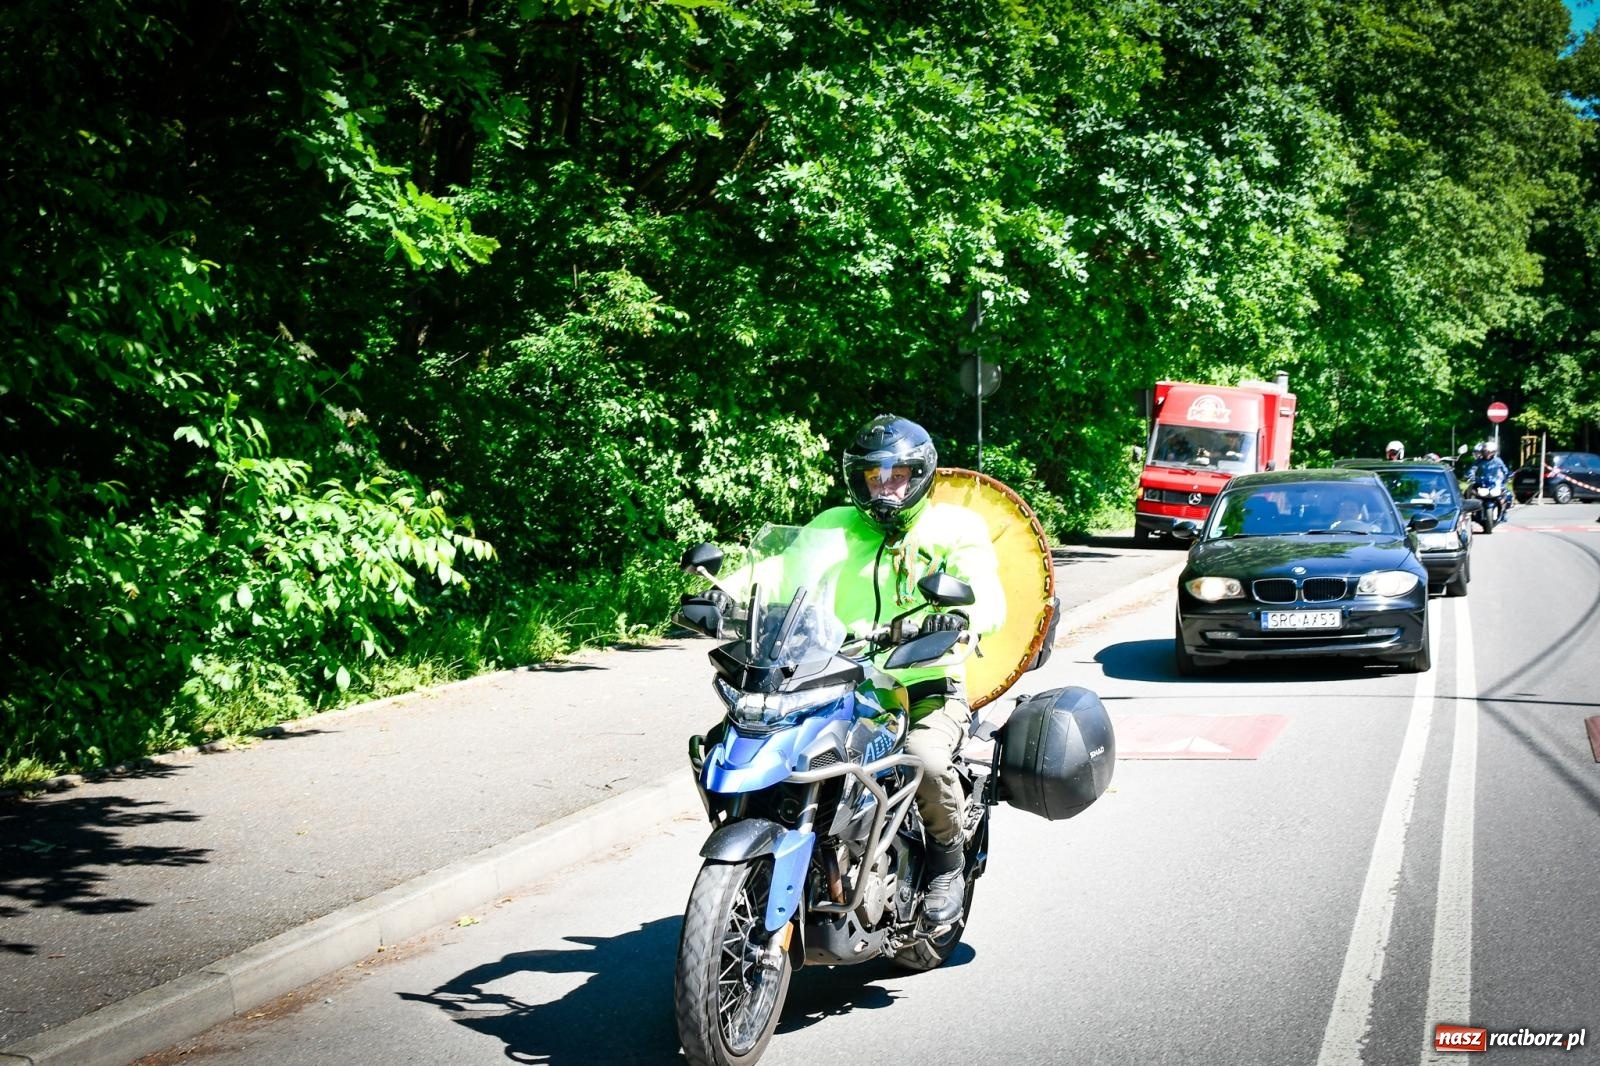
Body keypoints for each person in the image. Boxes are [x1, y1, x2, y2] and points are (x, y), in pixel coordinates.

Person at [696, 415, 1005, 926]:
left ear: (920, 475)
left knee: (925, 758)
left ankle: (947, 862)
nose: (885, 488)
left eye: (897, 475)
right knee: (732, 740)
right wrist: (725, 592)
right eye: (873, 477)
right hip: (832, 677)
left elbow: (987, 597)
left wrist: (958, 618)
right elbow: (776, 573)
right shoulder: (834, 525)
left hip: (922, 682)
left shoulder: (955, 528)